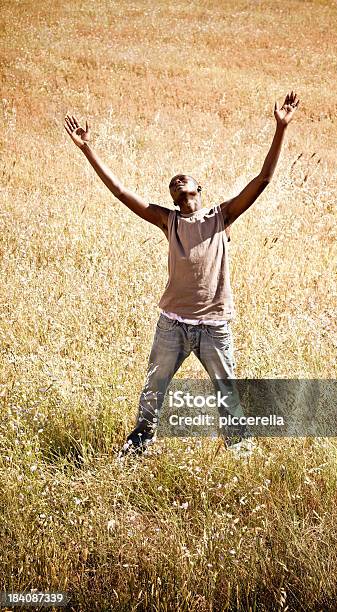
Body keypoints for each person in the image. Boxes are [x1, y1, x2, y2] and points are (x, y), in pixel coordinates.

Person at [64, 91, 300, 459]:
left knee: (227, 391)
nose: (177, 181)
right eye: (173, 183)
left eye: (184, 179)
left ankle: (239, 449)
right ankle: (141, 440)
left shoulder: (222, 216)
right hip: (172, 325)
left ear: (198, 190)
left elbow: (264, 179)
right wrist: (87, 149)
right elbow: (120, 190)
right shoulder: (167, 220)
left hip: (213, 326)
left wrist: (280, 128)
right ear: (173, 198)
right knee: (152, 390)